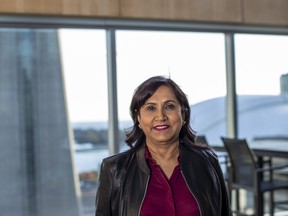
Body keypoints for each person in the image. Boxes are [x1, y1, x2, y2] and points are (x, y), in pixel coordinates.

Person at [95, 75, 231, 216]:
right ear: (139, 119)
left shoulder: (208, 162)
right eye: (151, 108)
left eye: (169, 106)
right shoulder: (114, 170)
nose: (161, 116)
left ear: (183, 114)